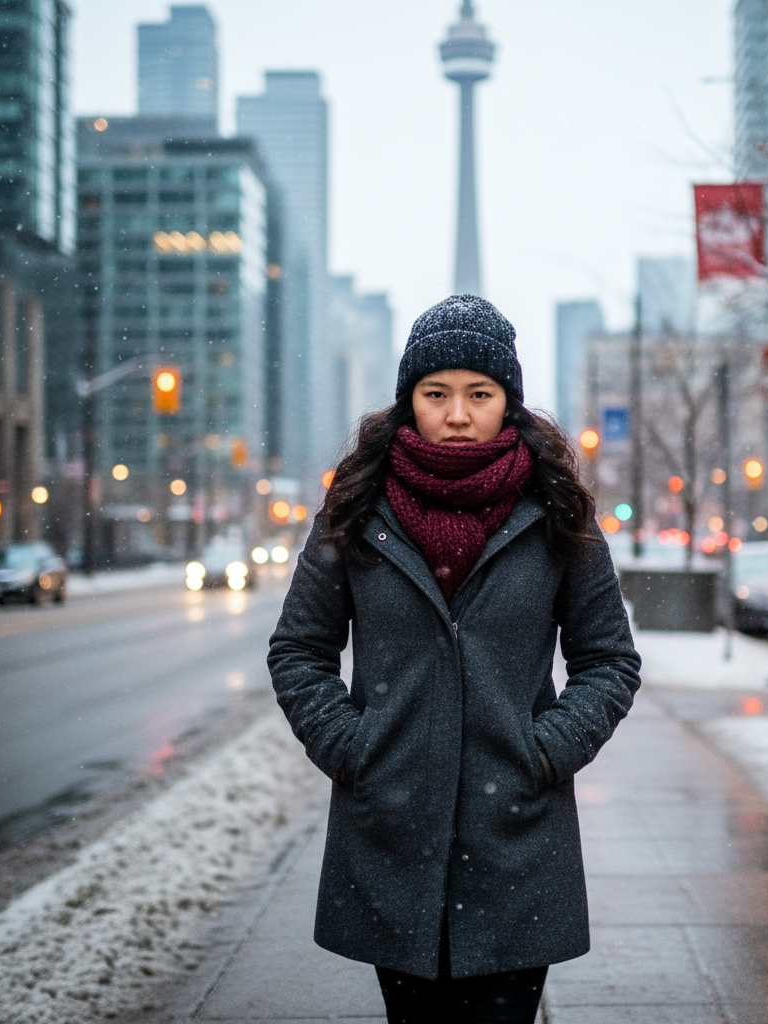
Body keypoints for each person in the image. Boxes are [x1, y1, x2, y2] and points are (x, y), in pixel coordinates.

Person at [268, 295, 641, 1024]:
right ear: (410, 403)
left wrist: (545, 750)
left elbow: (609, 660)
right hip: (391, 832)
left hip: (518, 840)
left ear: (509, 404)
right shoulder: (356, 509)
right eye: (436, 394)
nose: (458, 414)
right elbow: (299, 649)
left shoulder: (558, 511)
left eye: (480, 394)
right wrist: (354, 747)